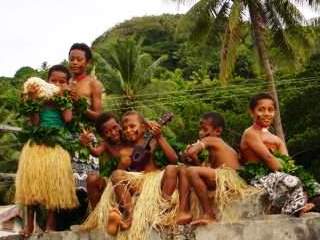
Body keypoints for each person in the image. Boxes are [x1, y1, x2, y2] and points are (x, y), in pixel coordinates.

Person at [15, 66, 78, 237]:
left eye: (61, 81)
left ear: (67, 84)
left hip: (56, 146)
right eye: (53, 81)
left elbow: (68, 119)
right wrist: (33, 100)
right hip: (36, 145)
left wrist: (64, 98)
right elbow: (34, 122)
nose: (57, 84)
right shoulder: (37, 99)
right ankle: (29, 226)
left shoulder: (65, 99)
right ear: (46, 81)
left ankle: (50, 226)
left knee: (53, 188)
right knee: (31, 188)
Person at [239, 93, 316, 215]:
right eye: (261, 110)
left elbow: (287, 162)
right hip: (259, 179)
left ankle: (302, 203)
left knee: (315, 188)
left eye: (270, 110)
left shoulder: (276, 139)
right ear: (252, 112)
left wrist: (301, 179)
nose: (267, 114)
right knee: (293, 181)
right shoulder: (250, 133)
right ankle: (293, 209)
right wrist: (291, 175)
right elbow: (268, 158)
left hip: (280, 175)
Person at [107, 111, 178, 237]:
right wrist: (124, 163)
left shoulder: (152, 141)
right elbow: (118, 178)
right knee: (116, 174)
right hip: (136, 184)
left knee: (171, 169)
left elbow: (173, 159)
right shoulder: (124, 151)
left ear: (144, 127)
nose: (128, 130)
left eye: (132, 126)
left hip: (154, 181)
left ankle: (163, 212)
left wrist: (159, 137)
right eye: (125, 128)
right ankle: (129, 215)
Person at [177, 112, 247, 225]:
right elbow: (199, 172)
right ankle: (184, 211)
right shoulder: (212, 151)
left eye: (204, 129)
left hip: (230, 177)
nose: (201, 133)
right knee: (185, 170)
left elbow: (191, 152)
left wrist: (190, 150)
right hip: (220, 177)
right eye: (200, 129)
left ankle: (209, 214)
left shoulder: (212, 140)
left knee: (190, 170)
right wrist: (194, 159)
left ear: (217, 131)